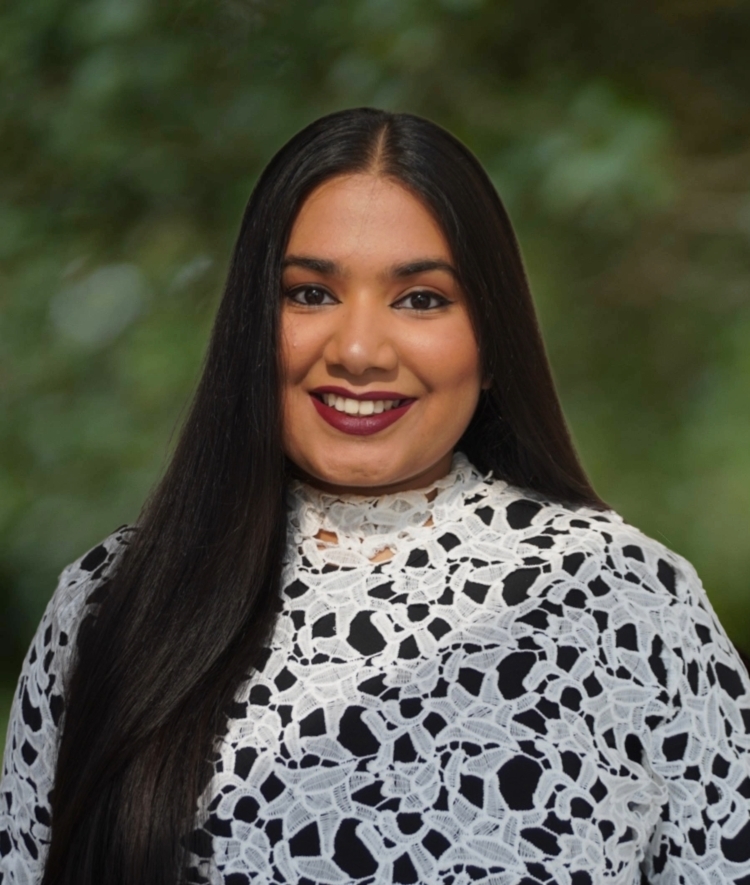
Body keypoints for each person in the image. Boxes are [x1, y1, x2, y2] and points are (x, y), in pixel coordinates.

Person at [1, 108, 749, 885]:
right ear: (250, 327)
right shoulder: (108, 604)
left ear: (493, 343)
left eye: (421, 298)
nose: (357, 350)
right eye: (310, 293)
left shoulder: (630, 607)